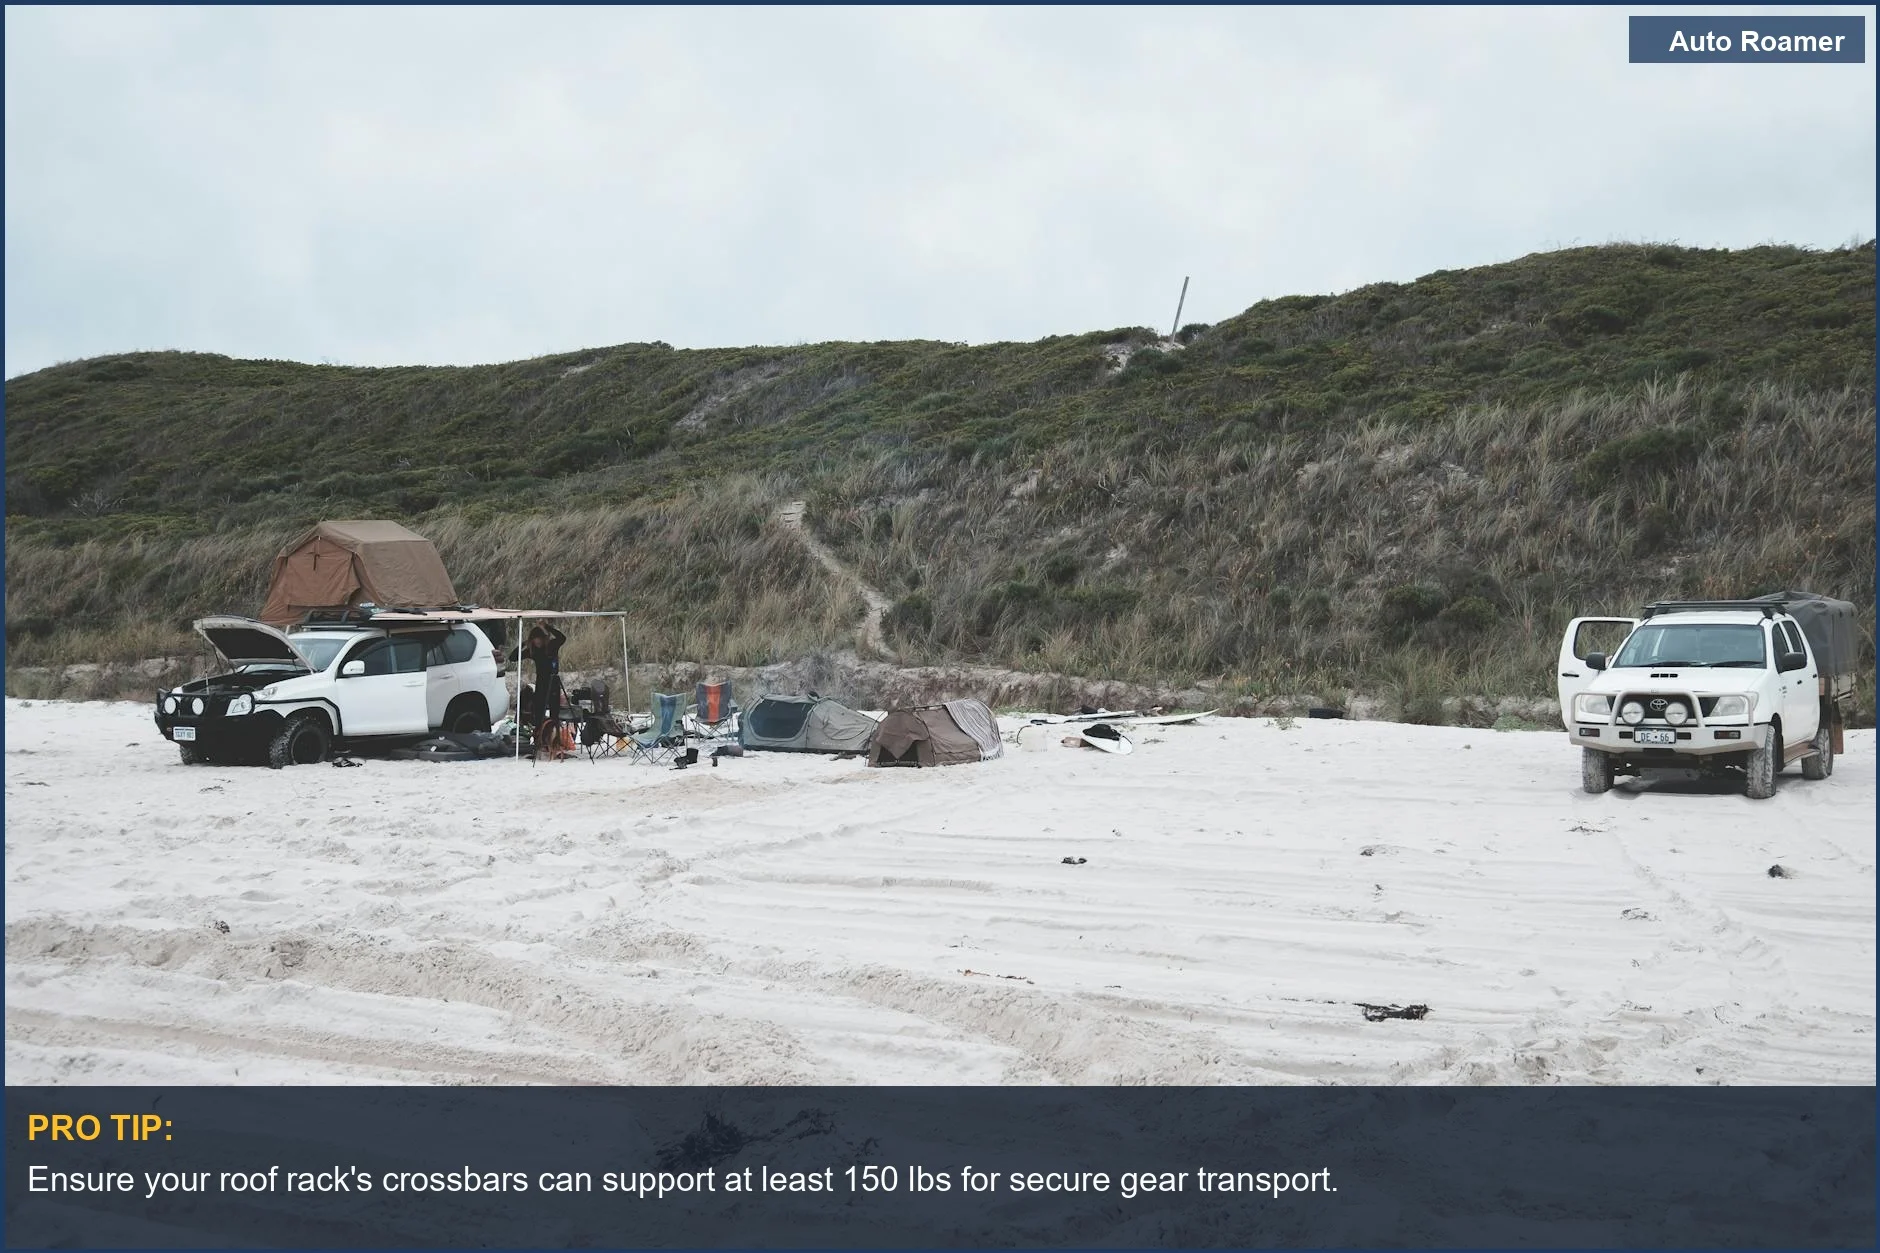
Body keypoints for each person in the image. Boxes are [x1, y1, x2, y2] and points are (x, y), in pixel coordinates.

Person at [524, 623, 567, 726]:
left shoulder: (552, 645)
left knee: (554, 713)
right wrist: (524, 643)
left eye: (539, 638)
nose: (537, 641)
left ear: (543, 638)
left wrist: (547, 627)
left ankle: (554, 735)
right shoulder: (533, 651)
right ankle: (539, 734)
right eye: (535, 639)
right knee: (539, 712)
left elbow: (562, 638)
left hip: (553, 682)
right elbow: (513, 657)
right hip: (541, 683)